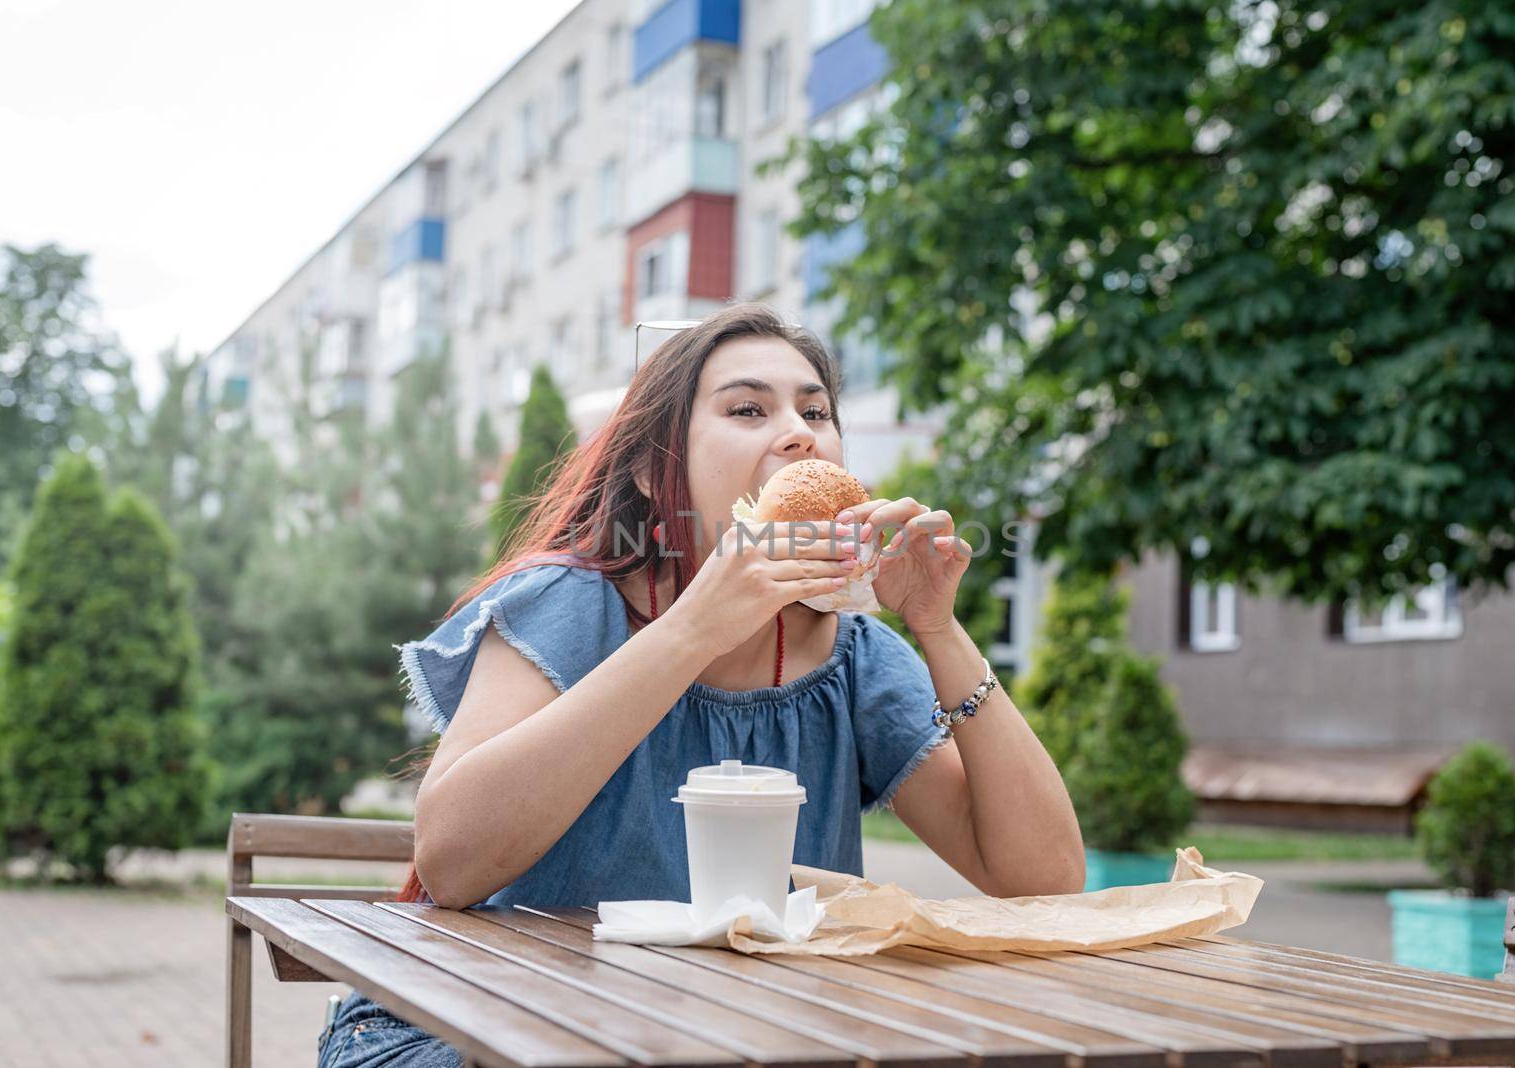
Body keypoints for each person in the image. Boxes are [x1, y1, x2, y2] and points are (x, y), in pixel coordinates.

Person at [316, 303, 1085, 1067]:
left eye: (816, 410)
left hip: (729, 1038)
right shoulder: (569, 603)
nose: (798, 430)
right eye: (748, 408)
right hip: (475, 1028)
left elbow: (1042, 880)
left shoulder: (852, 657)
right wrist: (694, 630)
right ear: (656, 471)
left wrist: (938, 628)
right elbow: (450, 861)